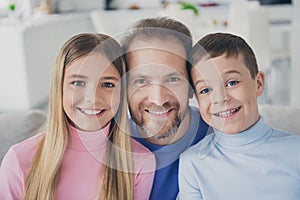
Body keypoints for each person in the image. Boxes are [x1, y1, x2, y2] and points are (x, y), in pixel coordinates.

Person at [0, 33, 155, 200]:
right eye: (78, 83)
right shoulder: (18, 159)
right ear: (59, 88)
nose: (93, 98)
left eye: (108, 84)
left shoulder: (140, 162)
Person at [177, 32, 300, 199]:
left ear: (258, 83)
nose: (221, 97)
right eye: (206, 90)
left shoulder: (295, 151)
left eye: (232, 83)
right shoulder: (192, 164)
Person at [121, 17, 209, 200]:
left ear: (192, 85)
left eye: (172, 79)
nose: (158, 99)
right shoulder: (109, 145)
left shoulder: (219, 137)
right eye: (141, 81)